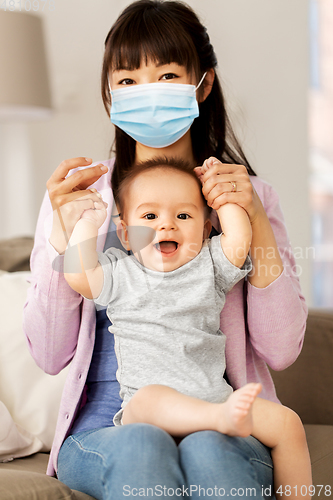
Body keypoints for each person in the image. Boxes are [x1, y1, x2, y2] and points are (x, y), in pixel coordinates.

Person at [23, 1, 308, 499]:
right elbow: (50, 355)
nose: (147, 93)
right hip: (106, 430)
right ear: (109, 96)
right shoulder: (82, 199)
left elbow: (281, 350)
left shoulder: (249, 199)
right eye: (128, 80)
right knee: (142, 446)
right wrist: (59, 242)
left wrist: (255, 220)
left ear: (204, 83)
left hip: (221, 421)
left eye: (168, 74)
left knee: (209, 450)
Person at [63, 155, 312, 499]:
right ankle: (216, 419)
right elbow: (77, 273)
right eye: (150, 216)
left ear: (207, 227)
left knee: (288, 424)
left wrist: (221, 196)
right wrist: (89, 220)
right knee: (148, 398)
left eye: (183, 215)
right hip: (152, 409)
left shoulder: (210, 264)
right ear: (125, 233)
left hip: (216, 398)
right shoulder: (120, 273)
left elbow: (239, 237)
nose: (167, 226)